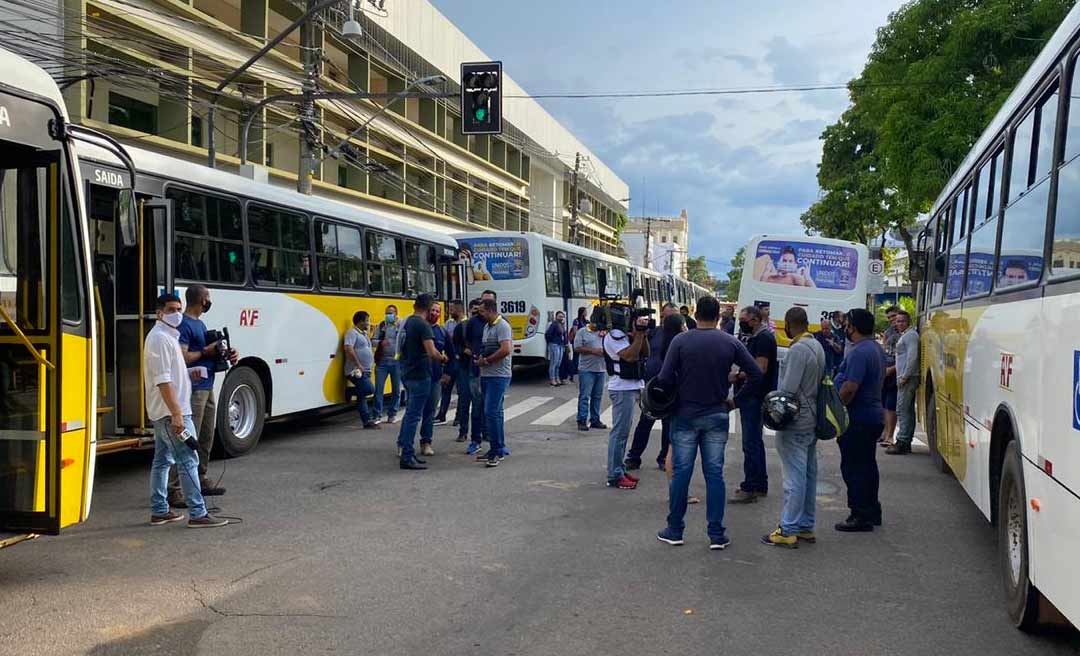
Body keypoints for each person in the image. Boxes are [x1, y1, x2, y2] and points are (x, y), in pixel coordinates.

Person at [655, 296, 762, 549]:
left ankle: (675, 529)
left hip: (685, 414)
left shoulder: (681, 341)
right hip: (717, 413)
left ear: (696, 314)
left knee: (682, 473)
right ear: (718, 317)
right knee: (714, 473)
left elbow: (664, 378)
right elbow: (757, 374)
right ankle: (716, 533)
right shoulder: (730, 342)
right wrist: (736, 401)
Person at [144, 293, 228, 528]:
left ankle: (160, 510)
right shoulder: (160, 339)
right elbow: (162, 380)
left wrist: (191, 375)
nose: (177, 313)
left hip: (167, 412)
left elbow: (172, 376)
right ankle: (198, 513)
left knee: (162, 461)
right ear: (160, 312)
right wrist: (177, 413)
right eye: (171, 309)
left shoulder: (168, 337)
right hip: (172, 413)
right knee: (188, 460)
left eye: (179, 308)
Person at [167, 284, 236, 509]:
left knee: (206, 435)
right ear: (202, 300)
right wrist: (206, 351)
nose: (209, 301)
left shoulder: (201, 323)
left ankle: (200, 477)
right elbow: (183, 357)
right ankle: (174, 489)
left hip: (208, 386)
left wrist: (225, 353)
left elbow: (207, 355)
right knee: (188, 439)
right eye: (208, 297)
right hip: (193, 390)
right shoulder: (185, 325)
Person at [762, 307, 825, 548]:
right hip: (811, 419)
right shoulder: (816, 346)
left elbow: (787, 389)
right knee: (808, 474)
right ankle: (805, 525)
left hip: (796, 420)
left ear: (788, 324)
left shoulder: (798, 350)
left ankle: (787, 528)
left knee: (794, 477)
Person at [834, 308, 886, 532]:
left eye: (846, 324)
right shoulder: (875, 348)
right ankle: (871, 510)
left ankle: (860, 515)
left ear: (853, 327)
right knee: (867, 466)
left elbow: (849, 388)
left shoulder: (858, 352)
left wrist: (836, 411)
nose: (844, 327)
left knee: (854, 467)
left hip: (858, 418)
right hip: (872, 415)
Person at [730, 304, 777, 503]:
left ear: (755, 320)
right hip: (752, 395)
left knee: (751, 443)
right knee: (754, 442)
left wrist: (738, 375)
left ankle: (751, 486)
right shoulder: (756, 337)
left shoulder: (764, 338)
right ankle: (758, 483)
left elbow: (760, 368)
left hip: (754, 396)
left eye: (744, 320)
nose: (742, 324)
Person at [396, 294, 448, 470]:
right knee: (414, 415)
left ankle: (404, 448)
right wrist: (443, 358)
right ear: (428, 308)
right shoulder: (423, 325)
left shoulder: (408, 322)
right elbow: (431, 352)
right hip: (420, 374)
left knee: (410, 413)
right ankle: (408, 455)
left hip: (408, 372)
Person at [625, 302, 679, 467]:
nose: (670, 319)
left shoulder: (683, 336)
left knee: (669, 425)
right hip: (652, 385)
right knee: (645, 422)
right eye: (667, 316)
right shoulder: (654, 332)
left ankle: (664, 458)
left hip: (672, 387)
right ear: (662, 317)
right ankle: (634, 457)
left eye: (674, 316)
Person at [603, 308, 651, 490]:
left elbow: (646, 353)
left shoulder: (626, 335)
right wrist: (637, 335)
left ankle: (619, 469)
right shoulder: (614, 336)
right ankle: (614, 475)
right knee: (619, 434)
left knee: (623, 432)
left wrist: (642, 334)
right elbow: (630, 356)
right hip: (622, 389)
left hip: (631, 387)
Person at [476, 298, 513, 467]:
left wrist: (488, 360)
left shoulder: (502, 326)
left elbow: (505, 349)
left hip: (499, 375)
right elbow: (487, 347)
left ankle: (497, 450)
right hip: (486, 374)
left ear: (491, 311)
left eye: (482, 311)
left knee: (490, 411)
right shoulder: (486, 327)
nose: (480, 314)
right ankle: (496, 448)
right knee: (495, 413)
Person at [464, 290, 497, 455]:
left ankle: (492, 437)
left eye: (488, 303)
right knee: (476, 405)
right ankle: (475, 440)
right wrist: (476, 354)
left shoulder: (500, 323)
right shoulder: (473, 322)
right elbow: (467, 340)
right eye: (483, 302)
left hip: (494, 372)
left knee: (492, 408)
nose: (483, 306)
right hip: (476, 369)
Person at [422, 303, 455, 455]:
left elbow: (451, 355)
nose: (434, 313)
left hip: (435, 377)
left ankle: (426, 442)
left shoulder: (442, 331)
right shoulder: (420, 328)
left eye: (437, 310)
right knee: (413, 412)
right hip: (417, 377)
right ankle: (404, 443)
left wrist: (447, 373)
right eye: (432, 310)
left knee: (430, 412)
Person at [888, 310, 919, 455]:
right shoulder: (906, 336)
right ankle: (905, 441)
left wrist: (905, 376)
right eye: (897, 321)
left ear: (909, 322)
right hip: (905, 377)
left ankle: (902, 441)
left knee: (902, 410)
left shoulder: (911, 336)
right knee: (906, 410)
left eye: (902, 321)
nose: (899, 323)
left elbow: (912, 357)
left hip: (908, 378)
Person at [573, 310, 607, 432]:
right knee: (585, 396)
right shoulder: (582, 332)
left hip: (601, 369)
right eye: (596, 324)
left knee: (597, 396)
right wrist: (593, 351)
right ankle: (582, 420)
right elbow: (577, 348)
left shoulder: (603, 332)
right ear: (591, 322)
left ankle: (595, 419)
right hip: (586, 369)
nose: (597, 327)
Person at [344, 310, 379, 429]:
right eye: (367, 321)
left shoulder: (363, 334)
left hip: (365, 370)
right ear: (360, 321)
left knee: (362, 396)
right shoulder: (352, 333)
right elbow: (348, 349)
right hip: (355, 370)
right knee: (369, 389)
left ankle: (366, 421)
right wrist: (358, 364)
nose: (368, 323)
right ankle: (350, 391)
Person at [435, 300, 464, 426]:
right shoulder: (448, 323)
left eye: (452, 309)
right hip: (450, 361)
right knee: (445, 388)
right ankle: (441, 415)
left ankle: (459, 417)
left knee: (461, 391)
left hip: (462, 362)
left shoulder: (466, 324)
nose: (449, 312)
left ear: (459, 310)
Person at [373, 304, 403, 424]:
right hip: (383, 361)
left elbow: (405, 339)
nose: (389, 315)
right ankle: (377, 414)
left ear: (396, 314)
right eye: (387, 313)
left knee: (396, 390)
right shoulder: (381, 326)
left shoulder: (401, 326)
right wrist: (380, 342)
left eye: (391, 313)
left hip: (396, 361)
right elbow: (373, 341)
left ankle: (392, 413)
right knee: (378, 389)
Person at [450, 301, 475, 442]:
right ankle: (463, 431)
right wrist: (463, 350)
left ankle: (482, 433)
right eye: (474, 310)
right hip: (465, 367)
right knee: (464, 400)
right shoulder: (462, 327)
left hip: (479, 369)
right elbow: (455, 345)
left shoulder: (486, 326)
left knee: (479, 404)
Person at [879, 306, 901, 447]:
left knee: (891, 405)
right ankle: (884, 433)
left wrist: (892, 370)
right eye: (889, 317)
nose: (892, 320)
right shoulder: (888, 332)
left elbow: (905, 358)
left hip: (896, 372)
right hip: (885, 370)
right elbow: (885, 350)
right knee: (884, 403)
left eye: (894, 316)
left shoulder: (905, 334)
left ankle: (890, 435)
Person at [545, 311, 568, 386]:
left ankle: (557, 378)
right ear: (556, 317)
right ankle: (552, 379)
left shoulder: (562, 325)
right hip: (554, 344)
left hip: (561, 345)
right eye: (559, 316)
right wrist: (551, 341)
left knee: (558, 363)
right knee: (554, 362)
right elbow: (548, 334)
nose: (561, 318)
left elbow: (564, 335)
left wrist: (565, 344)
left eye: (562, 316)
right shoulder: (554, 324)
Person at [569, 306, 589, 379]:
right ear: (582, 312)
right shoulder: (576, 321)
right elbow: (575, 332)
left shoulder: (586, 321)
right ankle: (573, 373)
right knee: (576, 357)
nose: (586, 313)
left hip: (584, 342)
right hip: (577, 341)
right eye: (585, 311)